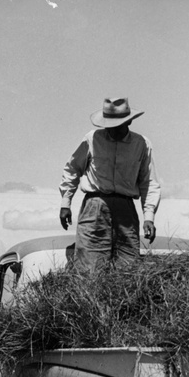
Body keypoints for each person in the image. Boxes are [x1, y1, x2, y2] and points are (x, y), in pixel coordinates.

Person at [59, 97, 161, 271]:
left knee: (127, 264)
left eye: (118, 125)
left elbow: (149, 181)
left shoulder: (141, 144)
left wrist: (149, 216)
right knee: (89, 265)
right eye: (109, 125)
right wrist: (65, 203)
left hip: (125, 209)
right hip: (95, 205)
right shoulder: (92, 139)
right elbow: (72, 168)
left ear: (128, 122)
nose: (112, 130)